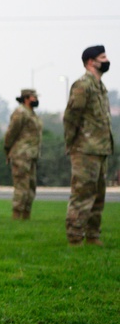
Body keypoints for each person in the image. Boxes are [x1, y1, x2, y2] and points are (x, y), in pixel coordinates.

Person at [63, 46, 113, 245]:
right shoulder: (83, 85)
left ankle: (93, 236)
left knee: (98, 196)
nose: (107, 60)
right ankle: (75, 237)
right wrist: (72, 143)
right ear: (91, 61)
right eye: (103, 57)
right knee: (82, 195)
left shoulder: (100, 86)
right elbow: (71, 117)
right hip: (84, 149)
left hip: (100, 149)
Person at [4, 88, 42, 221]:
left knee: (31, 187)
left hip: (31, 155)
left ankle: (26, 217)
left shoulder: (32, 113)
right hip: (21, 155)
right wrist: (7, 148)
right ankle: (16, 216)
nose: (36, 100)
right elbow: (11, 133)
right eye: (34, 97)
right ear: (26, 98)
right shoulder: (20, 112)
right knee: (21, 187)